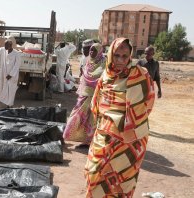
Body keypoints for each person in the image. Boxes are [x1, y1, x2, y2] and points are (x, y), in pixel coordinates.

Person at [85, 38, 155, 197]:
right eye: (117, 55)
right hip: (104, 136)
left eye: (125, 56)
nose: (120, 60)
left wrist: (130, 124)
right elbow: (96, 105)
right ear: (110, 54)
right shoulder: (105, 76)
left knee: (123, 181)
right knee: (94, 172)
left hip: (129, 140)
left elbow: (148, 104)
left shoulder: (141, 75)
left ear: (130, 55)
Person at [63, 43, 106, 145]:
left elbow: (102, 78)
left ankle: (89, 141)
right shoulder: (88, 62)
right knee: (77, 115)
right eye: (91, 50)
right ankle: (69, 135)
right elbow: (84, 77)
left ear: (99, 52)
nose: (91, 52)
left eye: (94, 50)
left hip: (96, 95)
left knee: (92, 119)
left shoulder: (104, 63)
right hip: (84, 94)